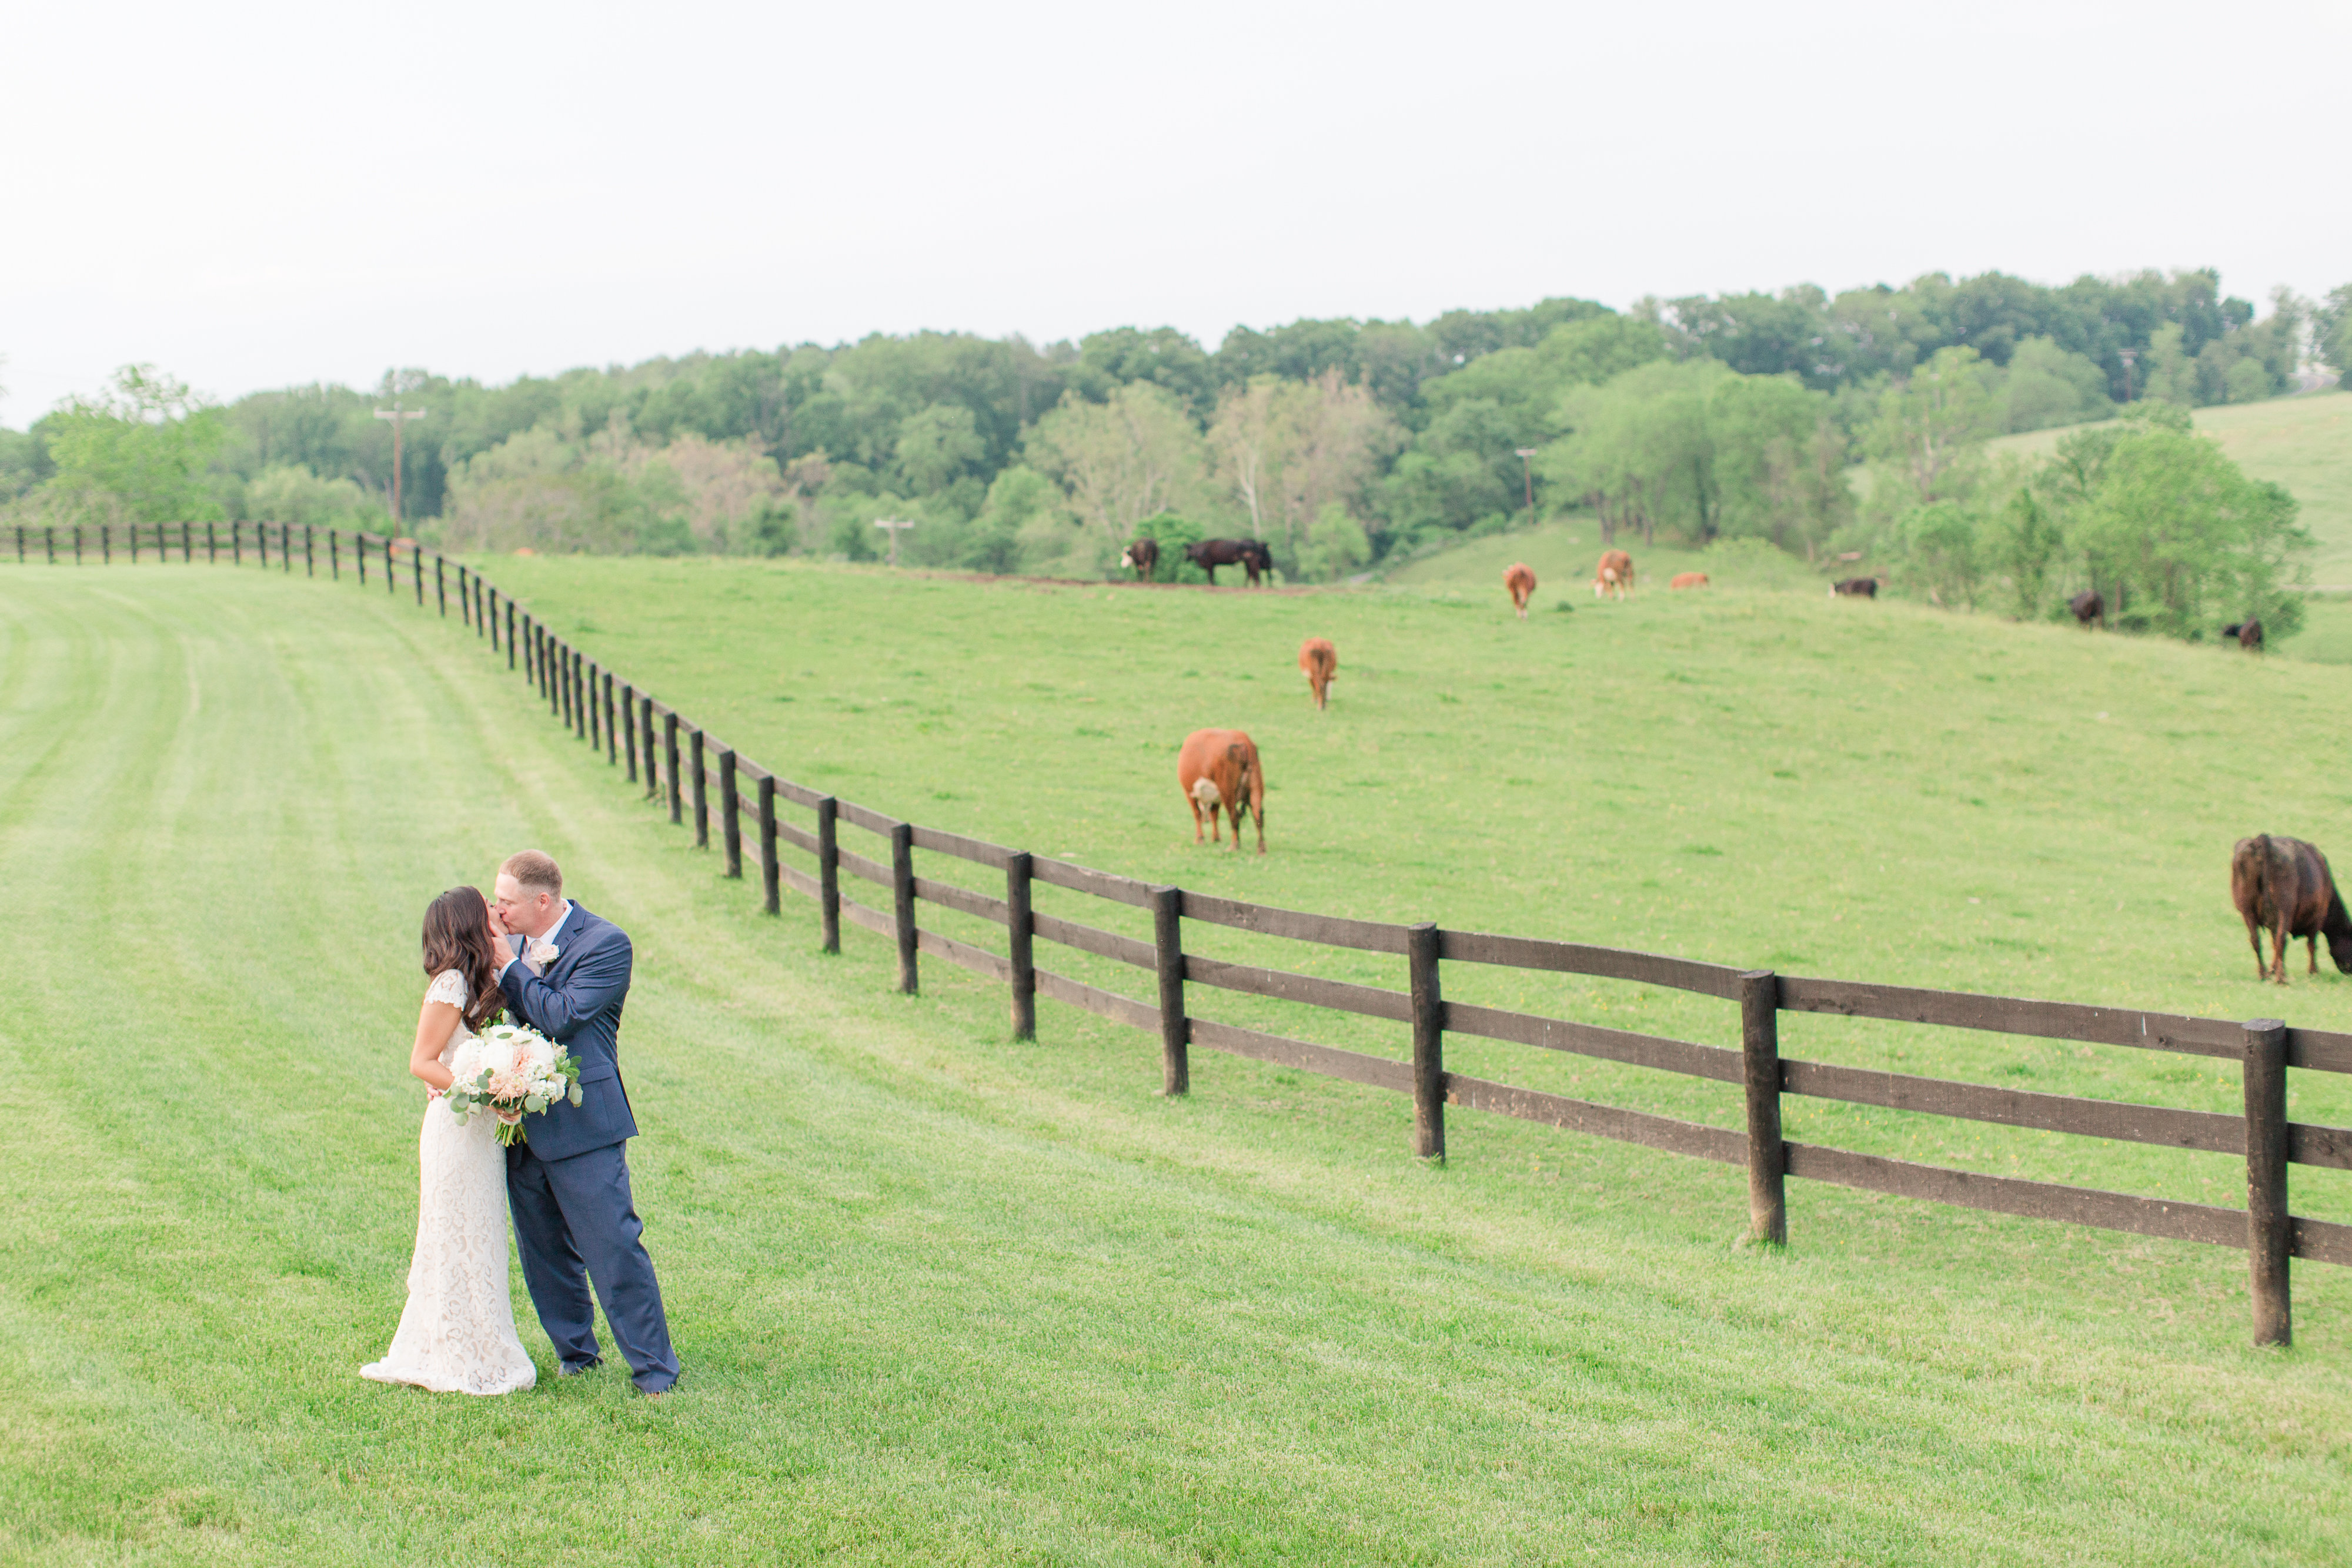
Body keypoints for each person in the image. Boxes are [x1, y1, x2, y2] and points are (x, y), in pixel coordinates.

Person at [488, 850, 679, 1396]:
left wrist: (509, 968)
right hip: (521, 1123)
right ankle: (576, 1354)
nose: (498, 912)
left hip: (583, 1121)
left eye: (507, 902)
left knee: (613, 1245)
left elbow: (561, 1015)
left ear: (542, 901)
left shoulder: (605, 944)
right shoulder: (510, 942)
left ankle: (654, 1370)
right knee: (543, 1249)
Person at [360, 887, 539, 1396]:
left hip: (479, 1135)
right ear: (467, 920)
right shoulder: (452, 982)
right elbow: (422, 1062)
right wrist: (486, 1092)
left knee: (480, 1234)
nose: (496, 911)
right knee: (454, 1236)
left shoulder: (481, 979)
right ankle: (454, 1349)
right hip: (455, 1132)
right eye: (487, 906)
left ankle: (482, 1342)